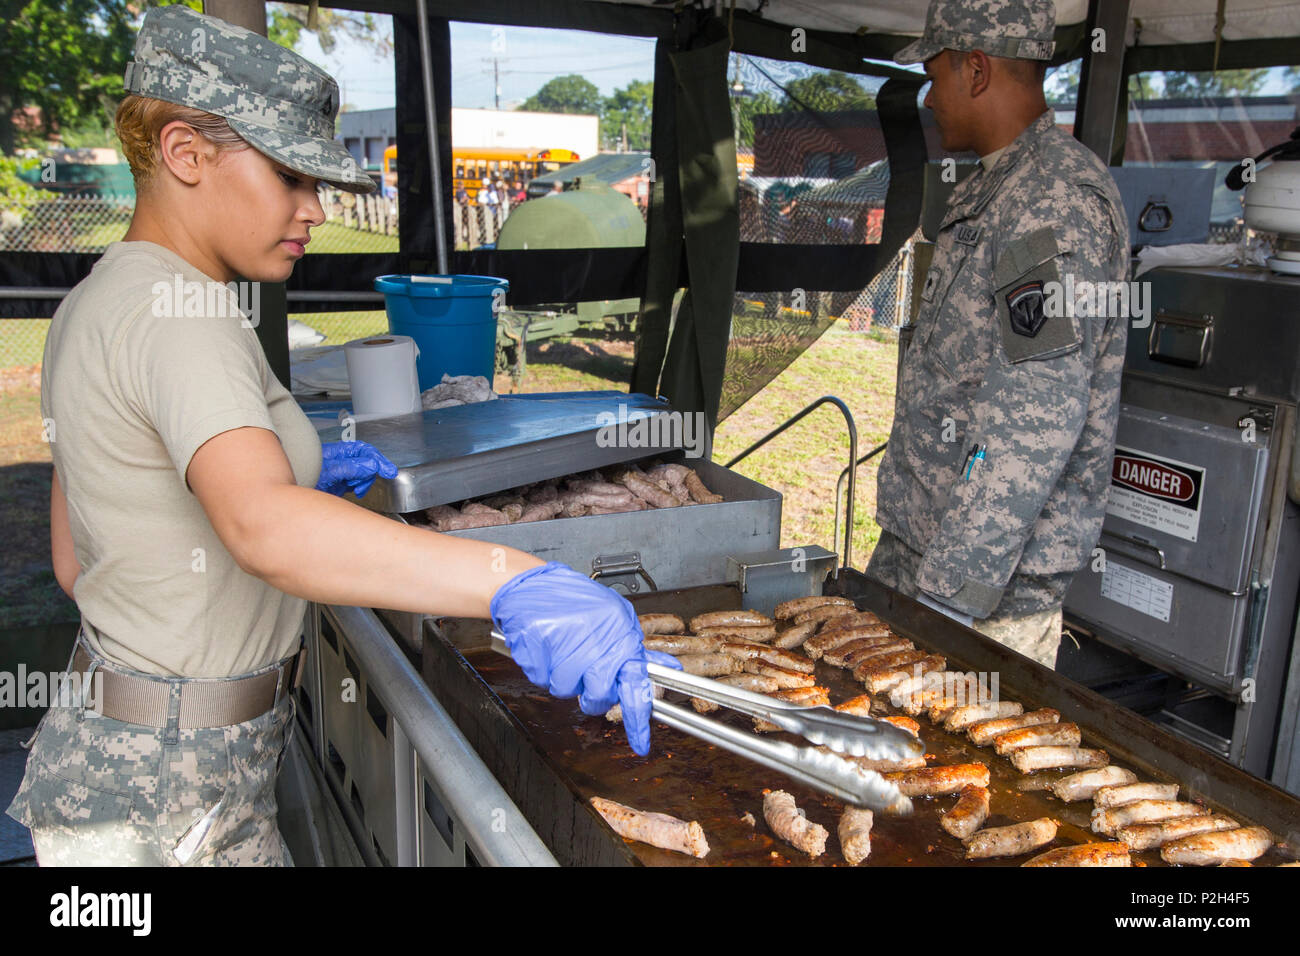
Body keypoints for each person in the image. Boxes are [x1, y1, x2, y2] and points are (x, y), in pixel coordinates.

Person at [5, 4, 677, 867]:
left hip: (128, 754)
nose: (317, 208)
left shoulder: (99, 298)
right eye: (292, 175)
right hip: (164, 799)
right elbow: (262, 529)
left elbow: (79, 558)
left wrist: (276, 482)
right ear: (184, 153)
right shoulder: (180, 315)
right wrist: (519, 581)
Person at [866, 0, 1130, 669]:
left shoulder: (1052, 201)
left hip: (981, 596)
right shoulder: (1001, 187)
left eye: (934, 75)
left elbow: (1035, 415)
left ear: (976, 70)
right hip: (922, 559)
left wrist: (950, 602)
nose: (927, 98)